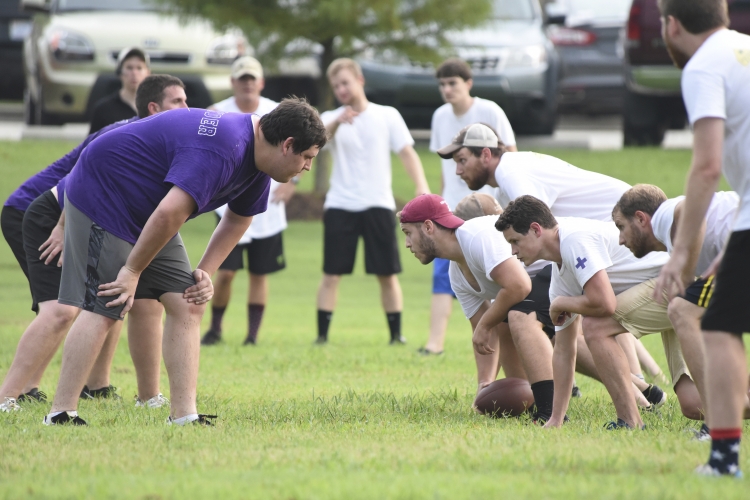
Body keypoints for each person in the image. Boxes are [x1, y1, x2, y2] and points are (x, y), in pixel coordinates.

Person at [41, 98, 326, 426]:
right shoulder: (225, 148)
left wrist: (204, 272)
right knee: (110, 299)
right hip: (104, 191)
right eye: (307, 157)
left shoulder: (261, 161)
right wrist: (131, 271)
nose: (307, 166)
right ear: (288, 145)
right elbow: (170, 212)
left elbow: (237, 220)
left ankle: (183, 415)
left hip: (150, 209)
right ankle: (61, 412)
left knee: (188, 301)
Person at [0, 75, 190, 413]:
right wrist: (61, 226)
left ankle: (109, 388)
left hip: (102, 215)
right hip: (45, 211)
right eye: (178, 101)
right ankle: (9, 396)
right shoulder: (125, 133)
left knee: (133, 298)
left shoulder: (167, 138)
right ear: (153, 107)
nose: (186, 108)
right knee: (62, 309)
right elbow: (81, 176)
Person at [437, 123, 668, 393]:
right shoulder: (507, 180)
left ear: (486, 155)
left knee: (531, 311)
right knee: (559, 315)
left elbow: (536, 224)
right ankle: (633, 388)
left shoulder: (511, 173)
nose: (458, 170)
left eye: (462, 160)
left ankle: (630, 389)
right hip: (605, 236)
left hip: (621, 228)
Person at [399, 194, 639, 422]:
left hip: (564, 266)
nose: (407, 244)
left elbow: (519, 286)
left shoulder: (473, 236)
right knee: (510, 325)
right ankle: (643, 393)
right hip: (552, 278)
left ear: (429, 227)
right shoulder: (457, 274)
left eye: (408, 233)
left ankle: (548, 411)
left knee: (520, 315)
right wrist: (484, 384)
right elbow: (483, 337)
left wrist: (486, 324)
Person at [496, 195, 696, 430]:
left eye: (515, 241)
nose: (512, 251)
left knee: (595, 326)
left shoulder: (573, 239)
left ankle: (630, 421)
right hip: (670, 288)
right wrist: (555, 419)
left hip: (683, 281)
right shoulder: (560, 277)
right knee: (693, 405)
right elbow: (564, 350)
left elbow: (604, 304)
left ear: (536, 229)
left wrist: (562, 303)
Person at [654, 0, 750, 477]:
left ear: (672, 25)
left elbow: (708, 166)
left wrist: (682, 253)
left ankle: (724, 459)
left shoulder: (703, 66)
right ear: (725, 14)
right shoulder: (745, 50)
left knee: (716, 327)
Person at [315, 58, 430, 345]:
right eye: (336, 86)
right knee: (332, 274)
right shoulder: (331, 117)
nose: (341, 89)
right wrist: (338, 121)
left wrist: (420, 185)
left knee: (387, 273)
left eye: (345, 83)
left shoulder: (387, 115)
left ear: (360, 80)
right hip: (340, 204)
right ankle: (322, 336)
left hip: (378, 204)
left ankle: (395, 336)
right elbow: (316, 144)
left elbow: (406, 152)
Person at [613, 185, 742, 438]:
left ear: (641, 218)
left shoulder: (664, 216)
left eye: (621, 227)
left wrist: (684, 276)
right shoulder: (673, 238)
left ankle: (716, 424)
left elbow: (690, 212)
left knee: (682, 310)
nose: (620, 239)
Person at [421, 58, 518, 356]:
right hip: (452, 211)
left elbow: (510, 154)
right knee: (445, 276)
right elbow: (444, 168)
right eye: (442, 84)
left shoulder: (489, 111)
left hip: (487, 211)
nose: (447, 89)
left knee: (499, 278)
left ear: (468, 83)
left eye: (453, 83)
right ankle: (434, 343)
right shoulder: (439, 116)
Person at [201, 56, 296, 346]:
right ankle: (216, 328)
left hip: (267, 208)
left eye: (252, 78)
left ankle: (252, 336)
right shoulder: (218, 113)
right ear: (233, 82)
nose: (248, 84)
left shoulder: (276, 111)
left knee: (259, 273)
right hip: (230, 203)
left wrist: (293, 182)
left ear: (261, 82)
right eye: (242, 78)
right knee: (226, 272)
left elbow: (300, 148)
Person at [89, 47, 151, 134]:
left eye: (139, 68)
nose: (134, 73)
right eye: (129, 68)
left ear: (148, 73)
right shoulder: (103, 110)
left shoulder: (154, 107)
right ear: (120, 72)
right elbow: (91, 144)